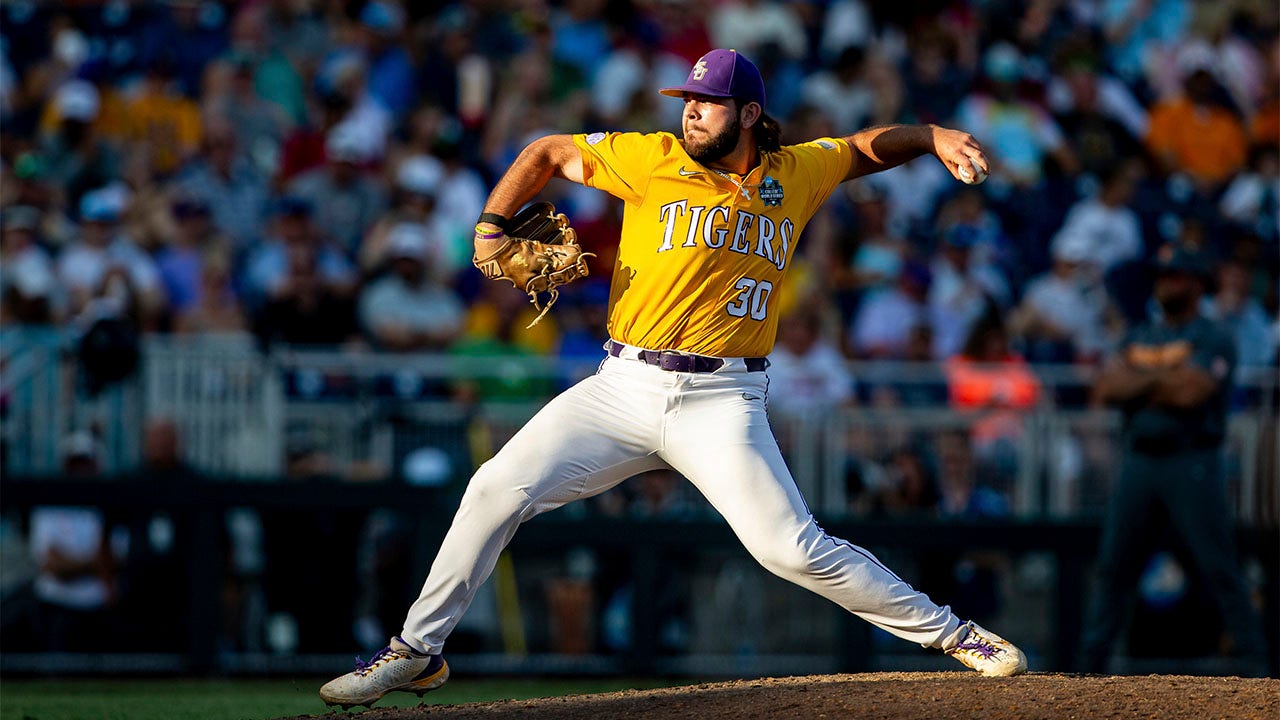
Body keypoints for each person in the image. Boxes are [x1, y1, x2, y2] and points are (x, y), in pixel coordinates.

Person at [319, 48, 1026, 709]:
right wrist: (491, 226)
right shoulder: (649, 157)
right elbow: (545, 150)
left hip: (723, 400)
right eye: (688, 99)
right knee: (494, 487)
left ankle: (951, 633)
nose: (691, 111)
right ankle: (418, 648)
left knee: (789, 548)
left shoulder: (796, 171)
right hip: (621, 385)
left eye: (709, 102)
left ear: (749, 115)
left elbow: (864, 149)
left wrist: (932, 134)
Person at [1079, 246, 1267, 675]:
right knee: (1114, 569)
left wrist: (1140, 377)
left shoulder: (1213, 335)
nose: (1165, 283)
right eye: (1162, 275)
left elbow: (1192, 393)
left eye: (1176, 276)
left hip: (1192, 461)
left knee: (1220, 569)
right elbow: (1106, 387)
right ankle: (1088, 671)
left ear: (1197, 284)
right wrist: (1166, 374)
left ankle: (1259, 669)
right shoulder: (1141, 333)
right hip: (1141, 461)